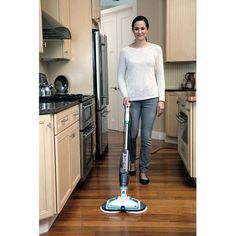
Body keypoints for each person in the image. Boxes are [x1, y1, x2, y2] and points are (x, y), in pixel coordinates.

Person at [117, 16, 165, 184]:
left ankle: (143, 170)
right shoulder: (125, 51)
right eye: (136, 28)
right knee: (132, 134)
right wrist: (125, 94)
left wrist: (162, 99)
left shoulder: (156, 49)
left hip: (151, 98)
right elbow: (120, 76)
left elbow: (160, 75)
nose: (139, 31)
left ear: (147, 30)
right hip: (132, 100)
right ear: (133, 30)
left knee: (146, 137)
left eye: (142, 28)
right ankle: (131, 163)